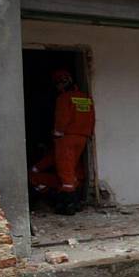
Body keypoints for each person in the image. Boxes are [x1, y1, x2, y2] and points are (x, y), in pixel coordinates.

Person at [50, 69, 95, 215]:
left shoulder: (64, 98)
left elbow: (62, 118)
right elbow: (91, 118)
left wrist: (57, 134)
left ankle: (68, 204)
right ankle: (75, 201)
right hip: (82, 137)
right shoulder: (86, 98)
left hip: (67, 138)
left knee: (65, 170)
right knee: (73, 168)